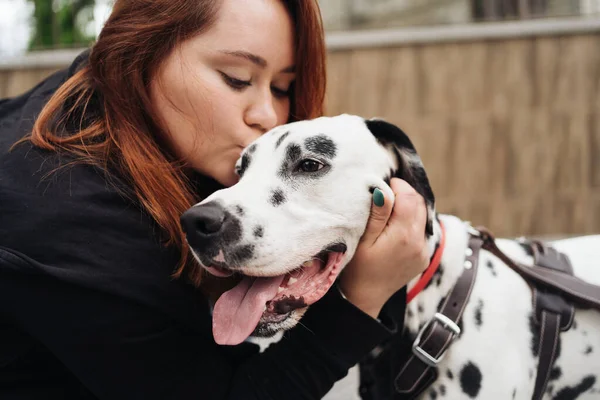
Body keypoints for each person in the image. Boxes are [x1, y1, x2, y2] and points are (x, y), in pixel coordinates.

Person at [0, 0, 429, 399]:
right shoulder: (63, 221)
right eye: (237, 79)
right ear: (139, 53)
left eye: (282, 88)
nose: (268, 116)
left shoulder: (91, 105)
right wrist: (361, 304)